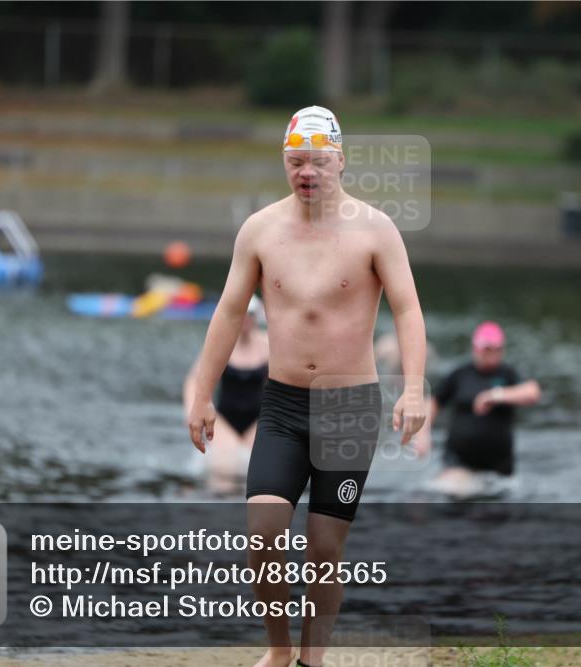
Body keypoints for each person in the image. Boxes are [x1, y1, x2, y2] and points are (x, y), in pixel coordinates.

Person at [185, 105, 427, 667]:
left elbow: (408, 309)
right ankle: (279, 650)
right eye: (296, 161)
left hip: (349, 409)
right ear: (284, 161)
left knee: (323, 547)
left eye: (318, 161)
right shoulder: (260, 230)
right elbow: (228, 312)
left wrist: (413, 389)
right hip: (283, 404)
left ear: (340, 160)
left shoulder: (375, 229)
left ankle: (311, 659)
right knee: (263, 533)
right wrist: (202, 394)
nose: (307, 172)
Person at [416, 321, 541, 495]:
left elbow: (532, 392)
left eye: (496, 350)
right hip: (459, 462)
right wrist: (422, 434)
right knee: (453, 491)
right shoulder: (460, 375)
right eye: (487, 349)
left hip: (499, 470)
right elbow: (433, 402)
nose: (491, 355)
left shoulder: (508, 375)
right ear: (475, 348)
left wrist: (495, 396)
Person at [184, 295, 269, 493]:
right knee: (224, 472)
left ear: (256, 317)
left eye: (250, 315)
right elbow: (194, 380)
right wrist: (192, 410)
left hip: (256, 420)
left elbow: (279, 384)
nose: (246, 320)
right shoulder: (222, 345)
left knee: (253, 470)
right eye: (243, 315)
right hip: (224, 420)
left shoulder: (267, 346)